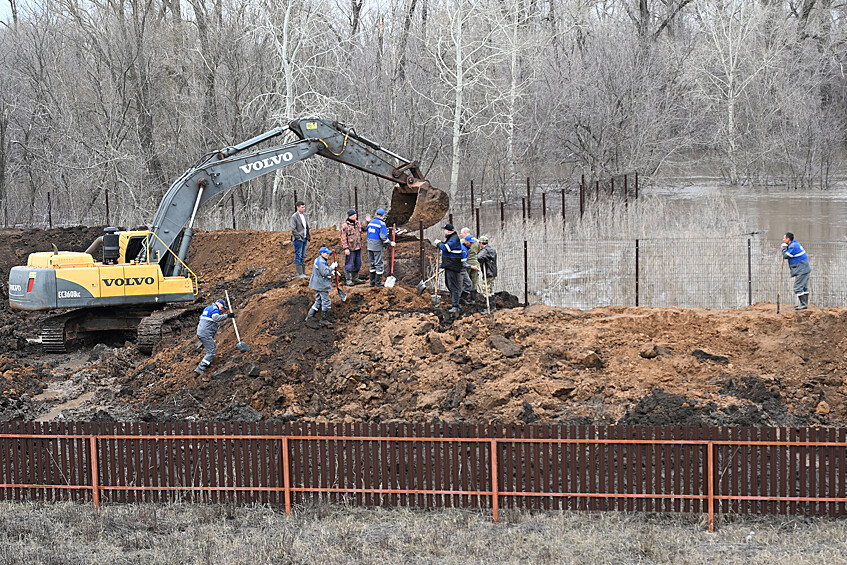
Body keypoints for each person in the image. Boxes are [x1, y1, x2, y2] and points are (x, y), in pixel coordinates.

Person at [195, 298, 235, 374]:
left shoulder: (208, 308)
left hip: (202, 331)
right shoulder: (215, 309)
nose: (221, 310)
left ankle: (208, 363)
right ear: (219, 304)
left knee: (210, 349)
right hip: (205, 333)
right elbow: (216, 318)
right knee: (211, 351)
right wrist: (228, 315)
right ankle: (201, 367)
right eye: (222, 307)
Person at [432, 223, 464, 312]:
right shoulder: (451, 238)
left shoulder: (454, 239)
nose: (444, 232)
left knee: (453, 285)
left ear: (448, 231)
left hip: (453, 265)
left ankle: (455, 305)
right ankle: (454, 303)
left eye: (445, 230)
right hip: (449, 265)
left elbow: (446, 248)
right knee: (448, 284)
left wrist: (439, 244)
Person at [306, 247, 337, 326]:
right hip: (321, 284)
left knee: (318, 300)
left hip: (317, 283)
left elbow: (322, 271)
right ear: (322, 253)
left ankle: (309, 317)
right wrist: (332, 268)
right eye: (326, 253)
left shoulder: (319, 259)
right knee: (326, 301)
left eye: (328, 253)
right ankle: (323, 319)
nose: (328, 255)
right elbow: (324, 273)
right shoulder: (321, 262)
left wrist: (332, 272)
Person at [340, 209, 370, 285]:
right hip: (350, 248)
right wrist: (346, 248)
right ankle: (348, 279)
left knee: (358, 263)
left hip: (358, 247)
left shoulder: (358, 223)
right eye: (354, 215)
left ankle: (355, 278)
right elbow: (343, 238)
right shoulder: (345, 226)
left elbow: (366, 228)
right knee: (349, 263)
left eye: (356, 215)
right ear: (350, 216)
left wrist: (368, 222)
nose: (355, 216)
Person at [781, 232, 811, 310]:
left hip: (802, 269)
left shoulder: (793, 246)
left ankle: (803, 304)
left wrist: (784, 248)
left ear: (788, 239)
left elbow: (786, 256)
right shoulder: (794, 244)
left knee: (798, 287)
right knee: (804, 287)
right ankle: (803, 304)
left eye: (784, 238)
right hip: (804, 268)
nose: (783, 239)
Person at [366, 208, 395, 287]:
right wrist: (390, 243)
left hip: (369, 246)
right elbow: (383, 237)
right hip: (377, 247)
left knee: (372, 264)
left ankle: (372, 283)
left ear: (376, 214)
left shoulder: (370, 223)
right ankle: (378, 283)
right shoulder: (381, 224)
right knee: (379, 264)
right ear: (383, 216)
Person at [476, 235, 497, 311]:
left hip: (488, 273)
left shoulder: (485, 251)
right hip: (492, 272)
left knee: (486, 290)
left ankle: (490, 307)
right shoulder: (492, 249)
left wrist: (482, 259)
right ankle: (492, 306)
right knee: (490, 289)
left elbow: (479, 257)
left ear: (481, 243)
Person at [290, 201, 310, 279]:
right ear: (297, 207)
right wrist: (298, 237)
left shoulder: (304, 215)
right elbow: (293, 228)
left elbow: (306, 226)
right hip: (298, 239)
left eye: (304, 207)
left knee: (303, 256)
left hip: (304, 238)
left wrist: (307, 236)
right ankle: (300, 273)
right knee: (298, 255)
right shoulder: (294, 216)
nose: (303, 208)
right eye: (302, 207)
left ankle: (303, 273)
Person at [460, 228, 480, 302]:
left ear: (465, 233)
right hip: (475, 263)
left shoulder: (462, 242)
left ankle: (463, 298)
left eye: (461, 233)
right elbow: (479, 252)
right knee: (474, 281)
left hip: (465, 263)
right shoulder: (477, 242)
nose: (461, 235)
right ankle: (473, 299)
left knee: (464, 281)